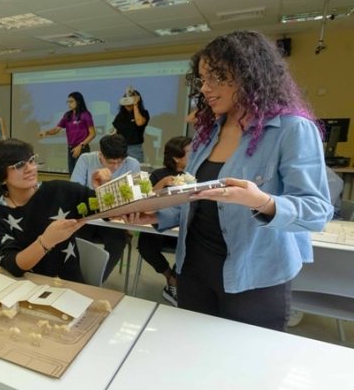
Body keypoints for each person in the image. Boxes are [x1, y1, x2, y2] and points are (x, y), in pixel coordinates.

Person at [122, 30, 333, 331]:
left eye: (216, 78)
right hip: (194, 268)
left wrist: (261, 201)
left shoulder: (291, 130)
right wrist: (157, 213)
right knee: (194, 355)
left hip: (254, 276)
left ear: (249, 74)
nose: (205, 89)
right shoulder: (208, 133)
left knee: (246, 368)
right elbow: (195, 199)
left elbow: (317, 211)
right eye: (202, 79)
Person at [0, 139, 93, 282]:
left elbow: (105, 203)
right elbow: (13, 264)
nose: (30, 168)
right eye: (19, 165)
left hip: (69, 288)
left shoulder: (60, 190)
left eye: (31, 160)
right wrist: (46, 241)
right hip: (24, 289)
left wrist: (125, 207)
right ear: (1, 178)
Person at [70, 134, 140, 281]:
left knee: (117, 243)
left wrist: (108, 185)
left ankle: (95, 282)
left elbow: (134, 198)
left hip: (114, 220)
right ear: (100, 154)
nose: (115, 166)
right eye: (110, 162)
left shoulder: (132, 164)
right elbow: (74, 192)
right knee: (76, 242)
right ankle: (77, 279)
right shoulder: (86, 159)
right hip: (87, 217)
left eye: (119, 162)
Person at [136, 136, 191, 305]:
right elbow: (143, 200)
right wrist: (161, 184)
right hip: (160, 225)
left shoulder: (196, 173)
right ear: (176, 157)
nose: (195, 153)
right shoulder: (159, 174)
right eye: (190, 152)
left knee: (191, 246)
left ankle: (176, 280)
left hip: (184, 227)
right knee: (145, 245)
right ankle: (171, 278)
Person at [38, 91, 95, 174]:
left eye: (71, 101)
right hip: (70, 148)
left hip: (82, 148)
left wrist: (80, 146)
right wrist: (46, 132)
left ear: (78, 102)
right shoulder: (67, 115)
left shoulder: (85, 114)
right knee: (72, 174)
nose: (69, 104)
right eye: (68, 102)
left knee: (81, 174)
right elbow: (56, 129)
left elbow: (92, 133)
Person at [112, 88, 149, 163]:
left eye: (130, 99)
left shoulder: (143, 113)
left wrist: (135, 104)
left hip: (134, 148)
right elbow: (115, 130)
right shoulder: (120, 115)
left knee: (136, 171)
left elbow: (139, 123)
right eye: (126, 99)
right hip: (120, 148)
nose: (128, 103)